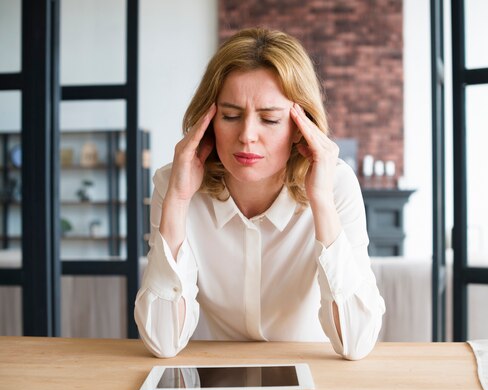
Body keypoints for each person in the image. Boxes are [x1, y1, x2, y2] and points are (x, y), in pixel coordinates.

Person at [134, 27, 386, 361]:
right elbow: (162, 343)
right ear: (208, 122)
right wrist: (178, 201)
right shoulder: (174, 184)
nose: (247, 136)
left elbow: (357, 343)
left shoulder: (335, 185)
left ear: (299, 127)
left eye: (269, 119)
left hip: (314, 378)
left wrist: (321, 201)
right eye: (230, 116)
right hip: (215, 378)